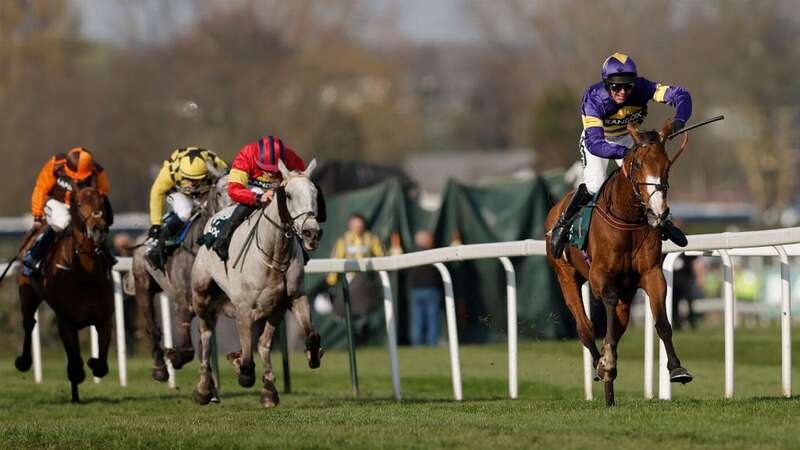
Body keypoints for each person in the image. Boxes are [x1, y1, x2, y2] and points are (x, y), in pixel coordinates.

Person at [550, 52, 692, 258]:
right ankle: (563, 223)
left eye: (628, 86)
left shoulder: (644, 87)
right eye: (617, 86)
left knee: (648, 176)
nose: (623, 91)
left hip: (627, 137)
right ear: (606, 83)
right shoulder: (593, 99)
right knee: (595, 184)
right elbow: (595, 143)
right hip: (599, 140)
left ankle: (662, 220)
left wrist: (680, 120)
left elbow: (681, 95)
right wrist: (627, 153)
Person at [23, 147, 113, 277]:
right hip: (56, 202)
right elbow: (41, 188)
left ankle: (106, 254)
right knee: (63, 221)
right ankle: (35, 254)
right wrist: (37, 216)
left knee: (96, 221)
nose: (77, 179)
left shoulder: (98, 172)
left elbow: (102, 196)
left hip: (79, 205)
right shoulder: (56, 164)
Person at [212, 135, 306, 261]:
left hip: (279, 190)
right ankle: (224, 237)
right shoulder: (246, 155)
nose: (271, 173)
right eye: (266, 169)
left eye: (274, 170)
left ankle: (301, 243)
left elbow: (301, 184)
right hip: (251, 188)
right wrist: (258, 197)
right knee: (257, 190)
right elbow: (233, 189)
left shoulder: (291, 157)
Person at [145, 147, 227, 270]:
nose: (192, 183)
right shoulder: (170, 172)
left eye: (196, 180)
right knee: (185, 211)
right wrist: (156, 223)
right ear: (182, 174)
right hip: (177, 193)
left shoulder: (217, 165)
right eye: (188, 179)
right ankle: (159, 246)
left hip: (205, 192)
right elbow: (157, 192)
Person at [408, 230, 442, 346]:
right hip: (430, 290)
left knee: (417, 320)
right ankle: (432, 343)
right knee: (432, 319)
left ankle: (417, 344)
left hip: (416, 290)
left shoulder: (411, 255)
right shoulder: (435, 253)